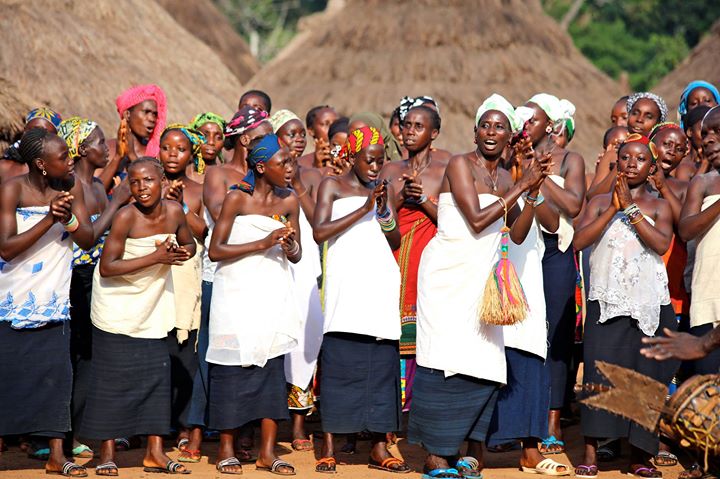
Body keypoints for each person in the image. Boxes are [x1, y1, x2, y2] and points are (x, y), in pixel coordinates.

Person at [408, 97, 548, 479]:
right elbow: (475, 219)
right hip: (447, 276)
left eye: (499, 127)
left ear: (510, 136)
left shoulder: (504, 178)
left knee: (485, 360)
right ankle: (436, 455)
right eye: (484, 125)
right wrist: (522, 183)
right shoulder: (460, 164)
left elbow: (518, 235)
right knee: (443, 358)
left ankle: (469, 448)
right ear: (475, 131)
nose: (490, 132)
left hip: (482, 282)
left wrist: (532, 191)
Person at [80, 157, 195, 476]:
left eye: (148, 180)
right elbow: (107, 267)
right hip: (117, 306)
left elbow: (190, 244)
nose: (141, 187)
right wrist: (156, 256)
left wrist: (179, 254)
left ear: (163, 182)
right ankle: (106, 454)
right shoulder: (125, 216)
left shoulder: (174, 212)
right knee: (111, 383)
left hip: (153, 305)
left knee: (157, 379)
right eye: (134, 181)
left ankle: (155, 453)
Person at [573, 134, 676, 479]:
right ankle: (591, 452)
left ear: (651, 168)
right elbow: (579, 240)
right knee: (600, 374)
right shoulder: (601, 201)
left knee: (643, 377)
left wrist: (631, 209)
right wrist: (614, 209)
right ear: (617, 163)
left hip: (647, 304)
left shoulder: (659, 205)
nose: (632, 164)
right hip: (607, 301)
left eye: (640, 159)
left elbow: (661, 244)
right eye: (626, 158)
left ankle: (639, 456)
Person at [312, 126, 410, 474]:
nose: (374, 167)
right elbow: (320, 231)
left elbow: (395, 238)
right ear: (351, 157)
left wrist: (382, 209)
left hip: (379, 283)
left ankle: (379, 447)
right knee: (340, 366)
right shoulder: (332, 185)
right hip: (347, 288)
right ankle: (328, 446)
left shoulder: (383, 189)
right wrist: (364, 207)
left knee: (382, 368)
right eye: (368, 160)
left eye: (380, 160)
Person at [0, 128, 94, 477]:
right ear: (41, 164)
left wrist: (68, 217)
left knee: (56, 377)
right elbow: (6, 247)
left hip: (53, 301)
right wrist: (48, 218)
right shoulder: (12, 189)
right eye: (63, 158)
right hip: (10, 302)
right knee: (7, 377)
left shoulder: (72, 187)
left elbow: (85, 239)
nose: (71, 162)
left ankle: (57, 454)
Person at [483, 95, 568, 475]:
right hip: (489, 263)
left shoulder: (536, 169)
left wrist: (532, 183)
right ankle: (485, 441)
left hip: (528, 265)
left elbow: (550, 224)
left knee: (530, 345)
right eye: (515, 129)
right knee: (488, 348)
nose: (521, 136)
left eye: (527, 128)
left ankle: (531, 447)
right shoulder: (489, 171)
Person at [207, 134, 301, 475]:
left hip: (271, 293)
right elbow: (215, 250)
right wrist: (263, 242)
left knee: (271, 371)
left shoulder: (289, 201)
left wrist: (288, 244)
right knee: (231, 370)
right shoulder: (237, 199)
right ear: (261, 167)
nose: (290, 169)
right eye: (283, 163)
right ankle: (226, 449)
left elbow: (298, 255)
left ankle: (266, 452)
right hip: (235, 295)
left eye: (291, 162)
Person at [190, 105, 272, 461]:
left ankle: (244, 435)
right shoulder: (218, 174)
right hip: (219, 278)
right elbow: (222, 212)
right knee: (215, 354)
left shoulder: (270, 178)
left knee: (253, 356)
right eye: (263, 136)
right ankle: (197, 432)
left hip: (259, 280)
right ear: (245, 140)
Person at [57, 117, 132, 460]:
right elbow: (86, 237)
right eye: (101, 143)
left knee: (90, 355)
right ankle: (64, 432)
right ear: (83, 149)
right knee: (73, 354)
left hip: (99, 278)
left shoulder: (98, 187)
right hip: (74, 279)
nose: (107, 149)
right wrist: (119, 200)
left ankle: (81, 429)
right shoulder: (71, 186)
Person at [516, 93, 586, 454]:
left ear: (551, 125)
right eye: (522, 119)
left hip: (556, 252)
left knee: (556, 338)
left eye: (533, 119)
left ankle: (553, 419)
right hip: (520, 253)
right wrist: (522, 169)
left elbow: (574, 204)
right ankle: (518, 417)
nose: (525, 125)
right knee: (520, 332)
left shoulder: (570, 160)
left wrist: (537, 178)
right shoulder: (513, 157)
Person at [378, 104, 448, 413]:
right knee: (390, 341)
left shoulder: (446, 170)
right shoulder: (391, 170)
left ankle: (423, 409)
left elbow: (452, 221)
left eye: (418, 126)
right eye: (406, 125)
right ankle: (389, 413)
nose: (409, 131)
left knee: (429, 339)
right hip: (392, 258)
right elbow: (382, 218)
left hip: (431, 263)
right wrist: (398, 198)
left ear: (433, 133)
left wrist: (421, 200)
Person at [158, 124, 207, 460]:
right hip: (154, 275)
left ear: (192, 155)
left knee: (186, 352)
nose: (172, 154)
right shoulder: (147, 181)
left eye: (180, 149)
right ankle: (156, 426)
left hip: (186, 276)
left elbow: (203, 229)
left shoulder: (197, 189)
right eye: (166, 147)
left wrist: (181, 207)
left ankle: (186, 425)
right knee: (156, 351)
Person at [284, 150, 325, 453]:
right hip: (271, 269)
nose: (295, 140)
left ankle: (299, 423)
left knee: (304, 344)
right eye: (288, 133)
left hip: (306, 269)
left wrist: (297, 184)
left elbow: (319, 224)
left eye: (300, 134)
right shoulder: (259, 184)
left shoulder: (312, 178)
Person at [677, 106, 720, 374]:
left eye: (717, 131)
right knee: (708, 389)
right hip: (709, 295)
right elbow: (686, 230)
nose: (709, 139)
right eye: (705, 134)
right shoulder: (702, 183)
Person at [98, 84, 167, 191]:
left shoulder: (157, 153)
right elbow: (95, 192)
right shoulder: (107, 148)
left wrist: (131, 155)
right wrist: (117, 157)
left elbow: (157, 192)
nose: (152, 119)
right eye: (146, 112)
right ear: (127, 115)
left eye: (154, 114)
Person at [1, 107, 63, 183]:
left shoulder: (59, 171)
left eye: (44, 134)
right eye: (32, 131)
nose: (36, 137)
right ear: (24, 131)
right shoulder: (4, 166)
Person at [186, 112, 227, 184]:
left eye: (218, 137)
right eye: (204, 136)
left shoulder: (226, 177)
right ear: (193, 137)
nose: (211, 142)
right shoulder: (182, 174)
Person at [676, 105, 713, 182]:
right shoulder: (684, 167)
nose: (710, 137)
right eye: (703, 132)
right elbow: (688, 193)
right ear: (690, 132)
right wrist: (705, 163)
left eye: (714, 131)